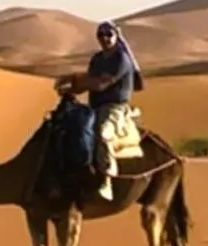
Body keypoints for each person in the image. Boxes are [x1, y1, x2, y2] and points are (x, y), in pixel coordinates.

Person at [55, 21, 143, 198]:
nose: (105, 38)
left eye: (108, 34)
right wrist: (71, 87)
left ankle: (107, 178)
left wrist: (72, 82)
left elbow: (101, 84)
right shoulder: (97, 59)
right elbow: (89, 81)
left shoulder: (121, 59)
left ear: (116, 36)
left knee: (102, 133)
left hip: (114, 107)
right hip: (94, 106)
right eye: (101, 35)